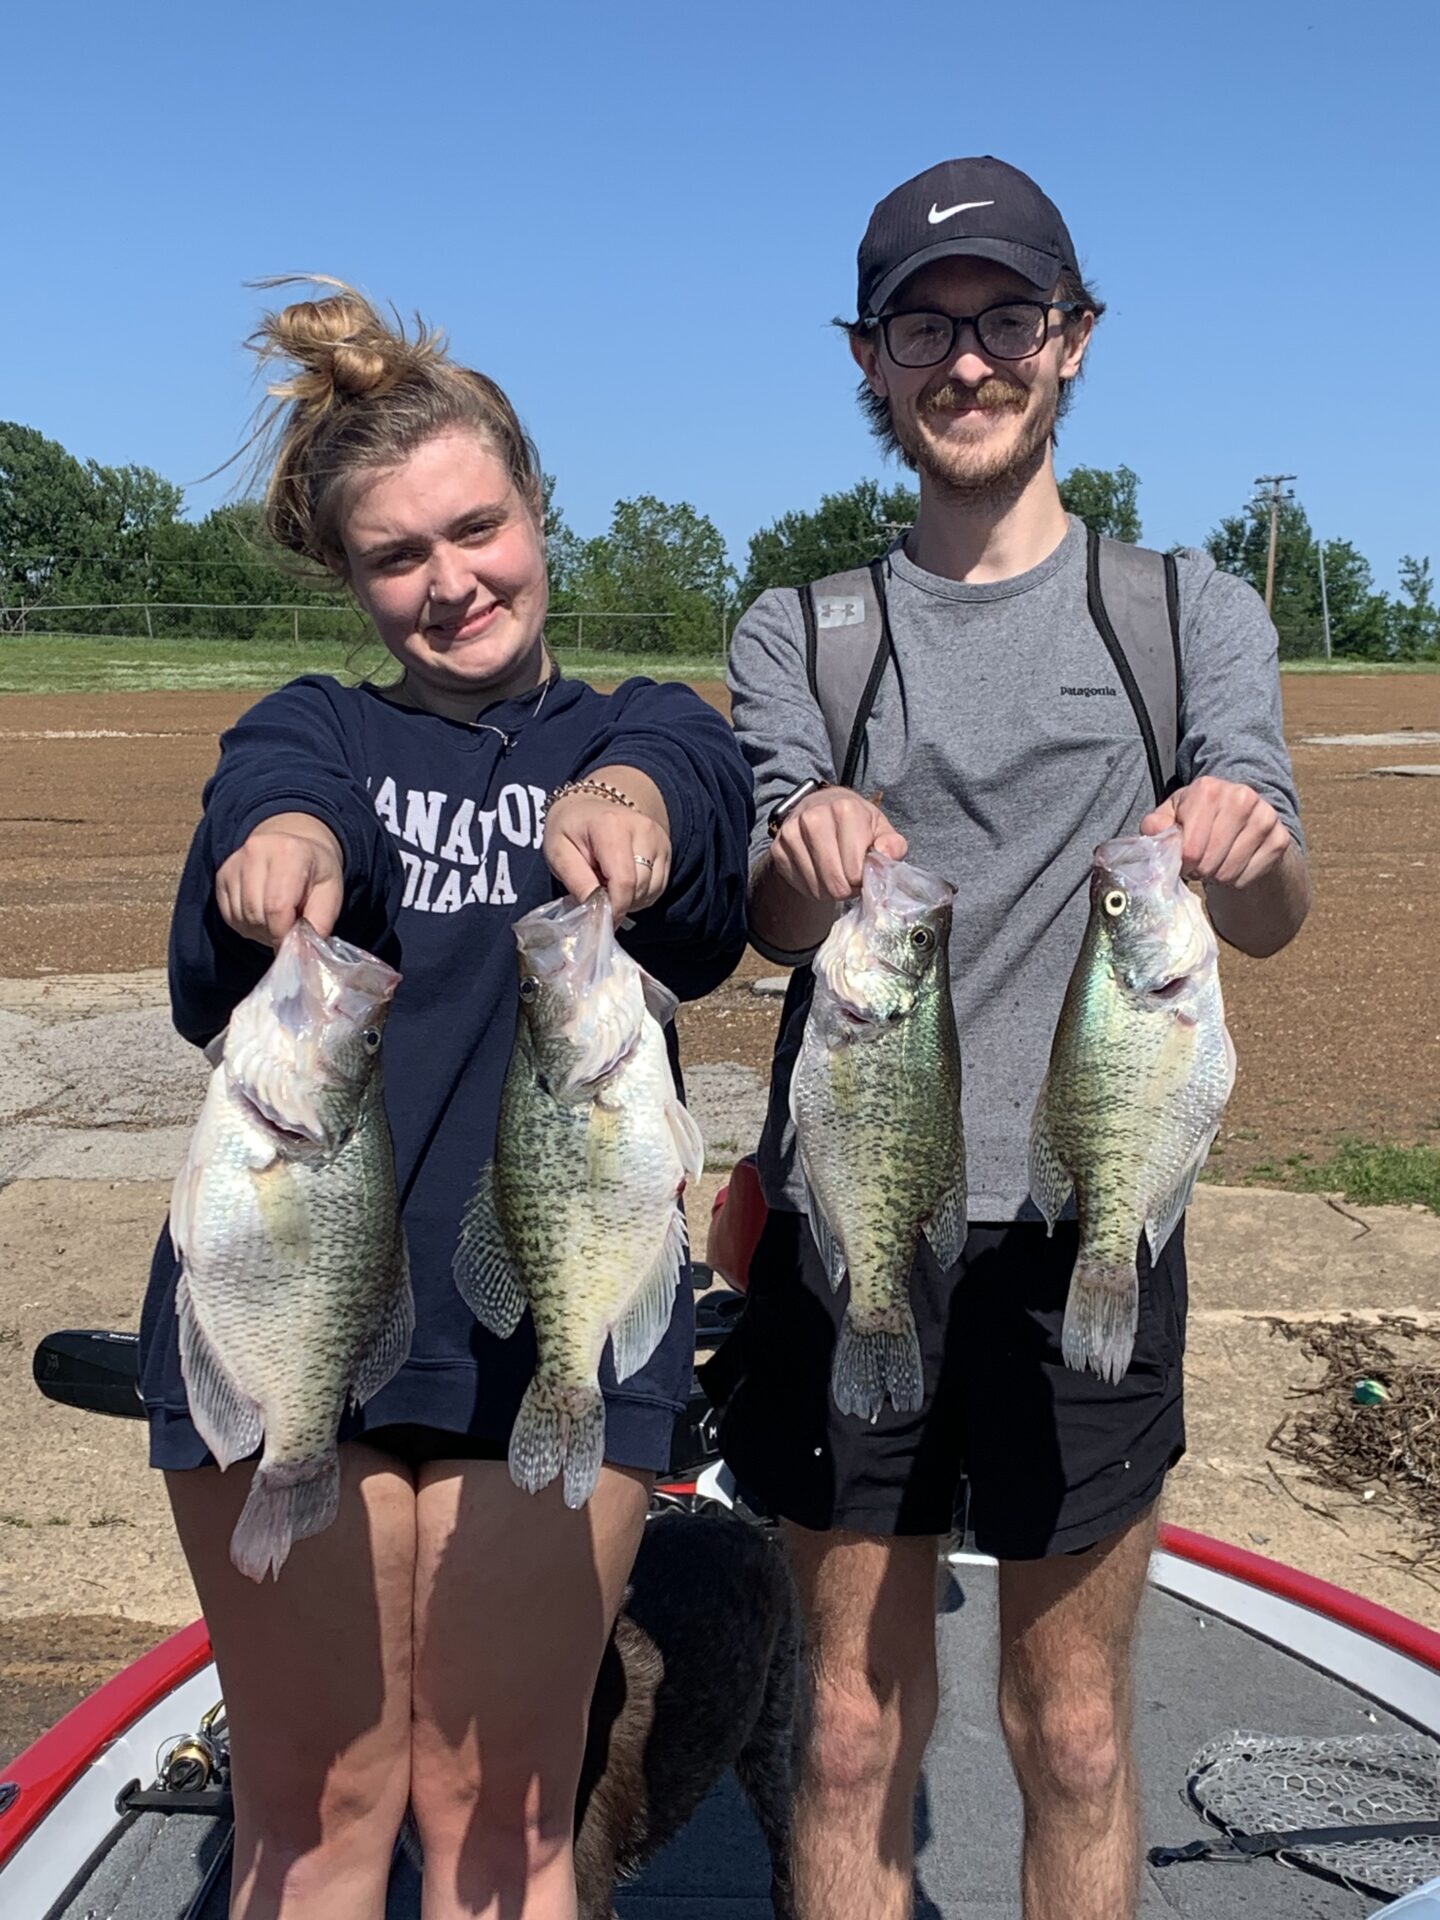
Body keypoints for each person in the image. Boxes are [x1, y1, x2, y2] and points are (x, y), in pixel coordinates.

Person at [708, 157, 1310, 1920]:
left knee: (1076, 1739)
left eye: (1004, 321)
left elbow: (1267, 923)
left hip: (1091, 1225)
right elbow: (761, 920)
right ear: (870, 360)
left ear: (1073, 342)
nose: (966, 362)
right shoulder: (801, 633)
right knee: (840, 1735)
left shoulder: (1188, 612)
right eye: (923, 326)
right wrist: (804, 867)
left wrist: (1253, 852)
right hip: (855, 1228)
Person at [137, 282, 753, 1920]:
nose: (451, 580)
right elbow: (278, 790)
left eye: (477, 528)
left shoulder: (642, 721)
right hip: (296, 1309)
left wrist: (627, 801)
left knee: (502, 1815)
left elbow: (694, 786)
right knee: (316, 1812)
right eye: (397, 558)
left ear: (536, 509)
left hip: (547, 1311)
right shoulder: (315, 725)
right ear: (350, 580)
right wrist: (284, 850)